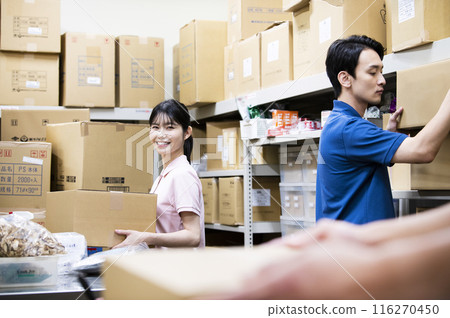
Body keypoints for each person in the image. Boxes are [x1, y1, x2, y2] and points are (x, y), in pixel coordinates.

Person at [316, 34, 450, 224]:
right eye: (372, 73)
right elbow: (423, 151)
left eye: (381, 71)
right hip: (358, 249)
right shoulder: (349, 128)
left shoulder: (337, 123)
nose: (382, 80)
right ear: (345, 79)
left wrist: (387, 138)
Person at [211, 202, 450, 299]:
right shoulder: (351, 128)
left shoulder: (345, 127)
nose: (381, 89)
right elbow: (423, 149)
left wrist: (368, 243)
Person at [114, 99, 205, 248]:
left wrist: (146, 238)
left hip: (180, 268)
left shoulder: (182, 175)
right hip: (163, 265)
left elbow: (193, 235)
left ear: (186, 132)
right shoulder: (165, 175)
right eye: (155, 127)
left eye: (170, 127)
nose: (161, 134)